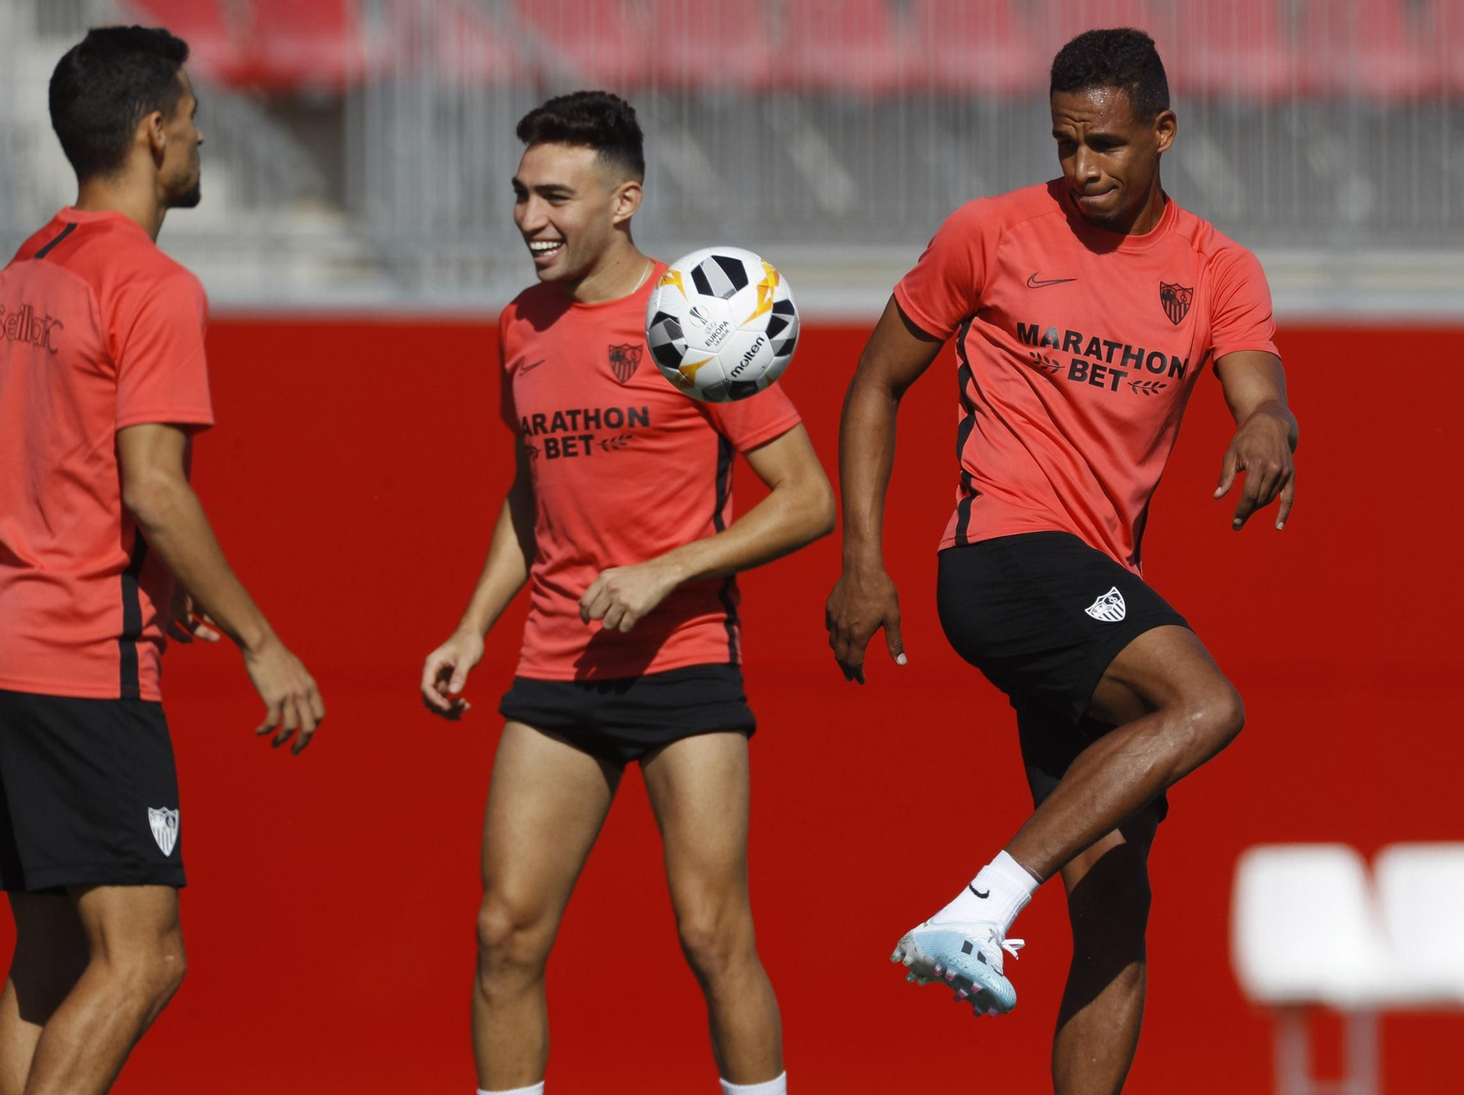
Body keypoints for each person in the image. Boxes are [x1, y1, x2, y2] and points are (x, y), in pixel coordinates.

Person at [825, 27, 1298, 1095]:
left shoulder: (1217, 269)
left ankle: (995, 920)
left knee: (1116, 909)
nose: (1081, 169)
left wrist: (1268, 427)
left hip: (1091, 589)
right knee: (1206, 705)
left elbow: (1258, 387)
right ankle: (979, 908)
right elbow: (872, 386)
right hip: (1003, 556)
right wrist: (863, 558)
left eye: (1108, 146)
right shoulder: (988, 234)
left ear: (1163, 134)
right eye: (1064, 143)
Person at [420, 92, 833, 1095]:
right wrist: (475, 624)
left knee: (711, 934)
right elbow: (531, 493)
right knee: (504, 934)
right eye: (519, 195)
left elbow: (809, 501)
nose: (529, 218)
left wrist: (666, 572)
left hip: (684, 663)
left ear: (624, 200)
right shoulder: (519, 326)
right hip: (556, 668)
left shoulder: (696, 317)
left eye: (554, 195)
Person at [0, 26, 325, 1095]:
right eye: (189, 113)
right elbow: (152, 486)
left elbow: (61, 459)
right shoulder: (151, 284)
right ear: (151, 130)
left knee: (50, 964)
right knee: (144, 959)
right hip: (83, 663)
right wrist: (263, 643)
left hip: (14, 655)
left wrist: (161, 569)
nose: (200, 132)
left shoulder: (30, 264)